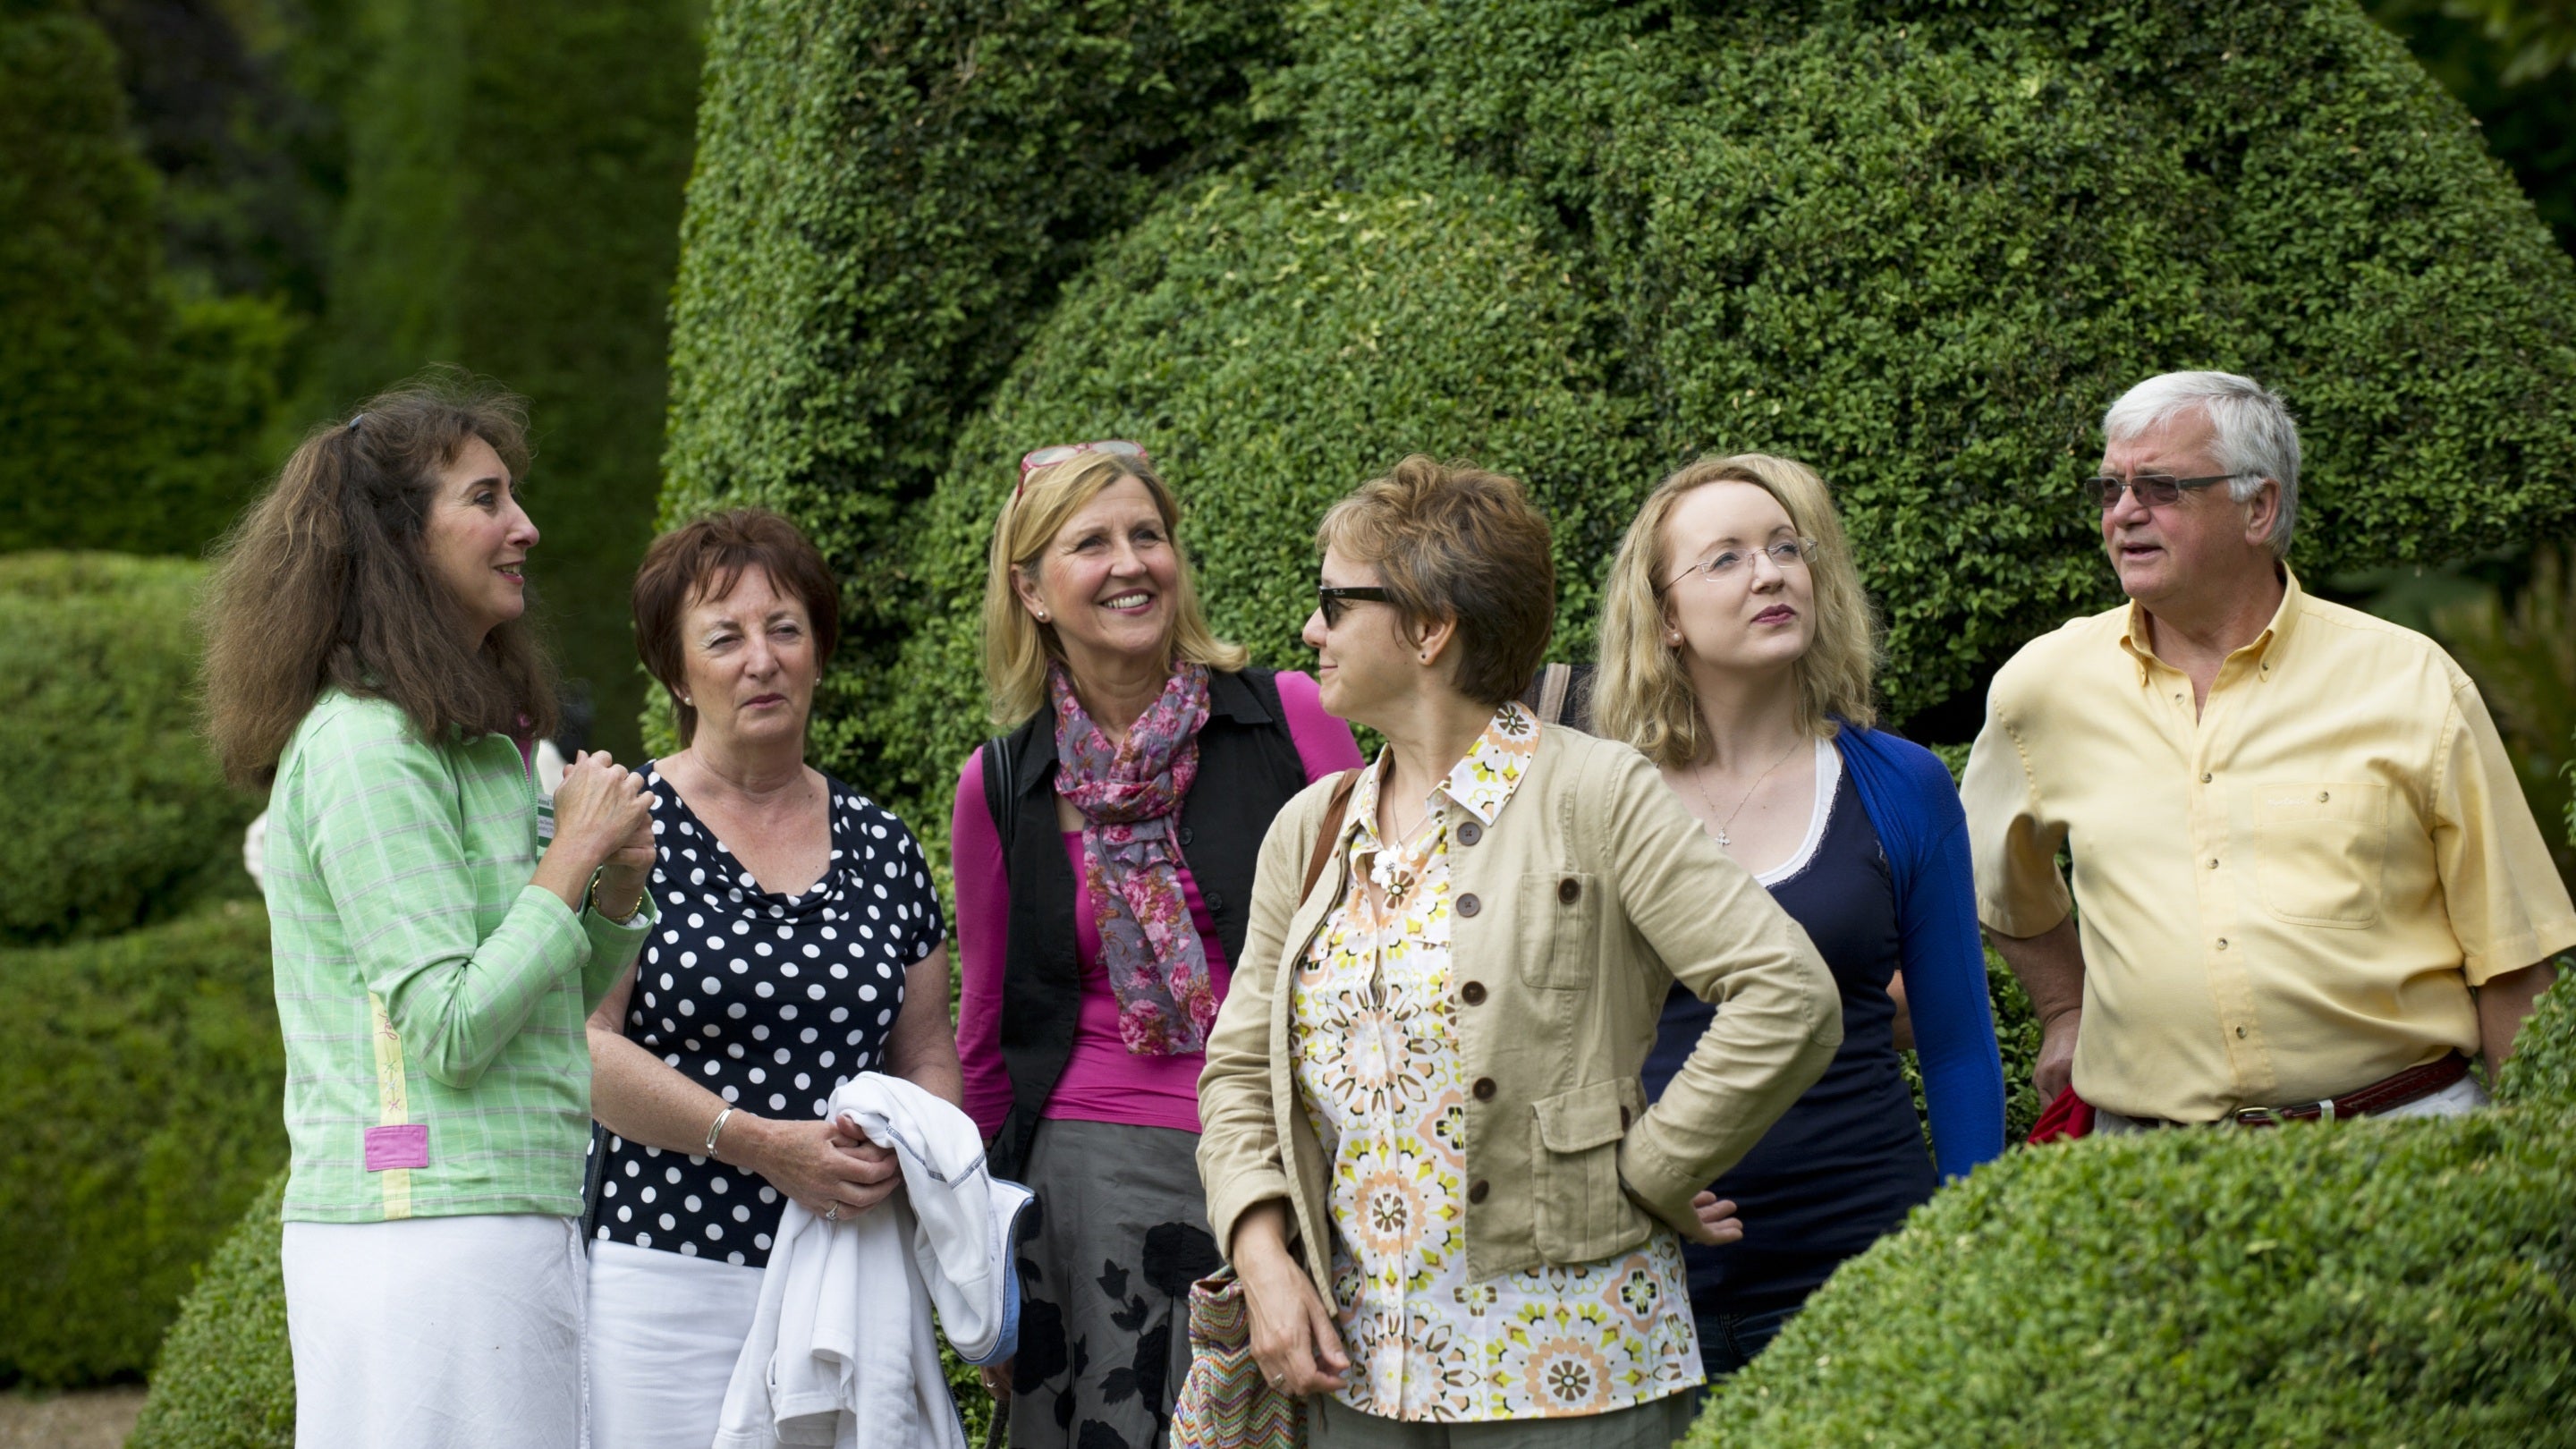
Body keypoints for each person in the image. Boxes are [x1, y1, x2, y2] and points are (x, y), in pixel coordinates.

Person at [1199, 455, 1843, 1446]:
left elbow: (1787, 994)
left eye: (1336, 600)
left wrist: (1655, 1168)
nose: (1311, 630)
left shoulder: (1598, 792)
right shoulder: (1312, 827)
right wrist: (1263, 1260)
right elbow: (1241, 1068)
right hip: (1358, 1376)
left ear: (1428, 627)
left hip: (1571, 1365)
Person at [199, 377, 658, 1448]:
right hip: (418, 1230)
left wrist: (614, 890)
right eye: (487, 500)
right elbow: (450, 1029)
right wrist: (572, 857)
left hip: (501, 1215)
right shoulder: (366, 746)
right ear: (401, 538)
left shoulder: (472, 748)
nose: (524, 528)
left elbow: (539, 1006)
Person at [1962, 370, 2575, 1131]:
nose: (2124, 514)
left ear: (2259, 507)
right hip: (2144, 1162)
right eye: (2110, 488)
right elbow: (1999, 882)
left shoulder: (2409, 679)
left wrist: (2538, 1159)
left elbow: (2511, 954)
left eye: (2160, 488)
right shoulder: (2043, 688)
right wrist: (2063, 1008)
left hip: (2399, 1135)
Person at [953, 442, 1364, 1447]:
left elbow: (1381, 941)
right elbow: (987, 1035)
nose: (1130, 562)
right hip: (1091, 1184)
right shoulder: (1003, 785)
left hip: (1294, 1154)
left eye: (1149, 535)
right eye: (1090, 543)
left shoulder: (1289, 721)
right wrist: (981, 1259)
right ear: (1033, 591)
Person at [1590, 452, 2004, 1379]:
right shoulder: (1598, 799)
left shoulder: (1899, 783)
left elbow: (1957, 1044)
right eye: (1726, 558)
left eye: (1785, 548)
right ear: (1664, 618)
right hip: (1647, 1288)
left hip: (1865, 1273)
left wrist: (1970, 1248)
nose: (1771, 572)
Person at [583, 509, 962, 1449]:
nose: (763, 659)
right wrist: (759, 1143)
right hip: (665, 1269)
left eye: (785, 629)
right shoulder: (625, 828)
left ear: (819, 652)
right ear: (677, 674)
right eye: (725, 637)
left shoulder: (884, 846)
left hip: (850, 1273)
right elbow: (582, 1048)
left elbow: (927, 1052)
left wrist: (914, 1162)